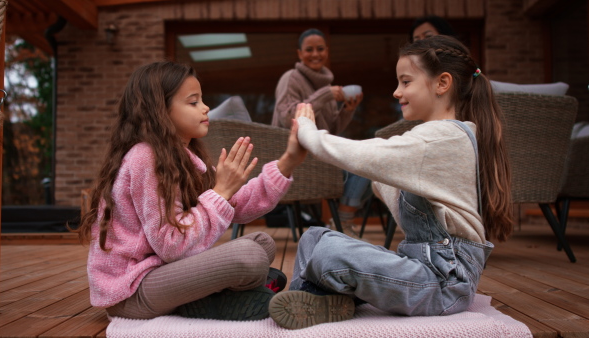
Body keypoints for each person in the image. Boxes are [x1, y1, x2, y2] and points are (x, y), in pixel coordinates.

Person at [268, 35, 513, 330]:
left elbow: (368, 156)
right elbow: (377, 167)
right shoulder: (433, 138)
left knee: (329, 255)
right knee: (314, 238)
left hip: (444, 285)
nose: (396, 92)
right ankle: (316, 302)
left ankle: (309, 298)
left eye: (406, 82)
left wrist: (307, 127)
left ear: (442, 83)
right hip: (422, 272)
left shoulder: (444, 137)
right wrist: (371, 166)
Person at [76, 61, 308, 321]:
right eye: (193, 102)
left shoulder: (187, 160)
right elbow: (170, 245)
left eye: (202, 100)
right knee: (249, 257)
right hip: (133, 291)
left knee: (262, 244)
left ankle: (226, 298)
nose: (206, 107)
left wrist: (288, 161)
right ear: (159, 110)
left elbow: (239, 207)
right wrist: (219, 192)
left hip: (163, 275)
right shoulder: (145, 157)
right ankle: (222, 300)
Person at [272, 28, 368, 236]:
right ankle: (342, 223)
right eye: (309, 50)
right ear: (299, 53)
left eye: (320, 49)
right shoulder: (291, 78)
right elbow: (286, 117)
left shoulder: (326, 84)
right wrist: (325, 95)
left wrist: (348, 110)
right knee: (360, 163)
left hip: (319, 157)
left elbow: (330, 130)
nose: (315, 54)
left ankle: (342, 220)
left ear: (327, 51)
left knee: (367, 162)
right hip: (299, 160)